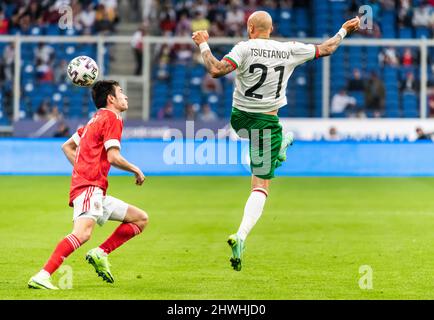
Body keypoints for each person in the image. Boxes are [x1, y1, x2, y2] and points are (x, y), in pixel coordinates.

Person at [192, 11, 360, 271]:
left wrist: (203, 42)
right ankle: (241, 236)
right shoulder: (289, 50)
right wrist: (344, 30)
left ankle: (279, 146)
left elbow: (215, 69)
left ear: (250, 27)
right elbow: (327, 49)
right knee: (260, 185)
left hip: (239, 119)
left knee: (266, 147)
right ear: (271, 29)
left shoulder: (243, 48)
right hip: (265, 124)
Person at [28, 80, 148, 290]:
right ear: (111, 98)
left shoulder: (94, 120)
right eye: (121, 92)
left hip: (95, 190)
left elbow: (67, 147)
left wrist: (83, 167)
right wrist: (135, 169)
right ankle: (43, 275)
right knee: (82, 233)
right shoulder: (112, 118)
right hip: (89, 188)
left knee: (140, 219)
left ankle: (100, 252)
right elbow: (113, 157)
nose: (125, 96)